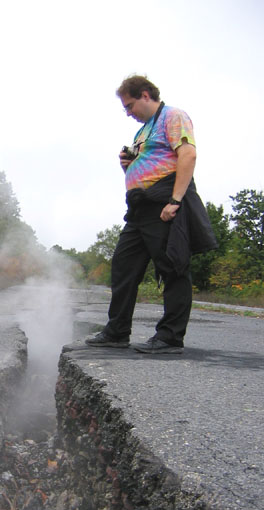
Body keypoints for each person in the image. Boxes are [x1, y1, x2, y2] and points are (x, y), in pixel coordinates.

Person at [86, 75, 217, 354]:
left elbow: (188, 155)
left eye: (130, 105)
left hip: (163, 204)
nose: (128, 112)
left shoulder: (173, 115)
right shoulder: (143, 131)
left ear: (145, 95)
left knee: (173, 268)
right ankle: (116, 332)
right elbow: (149, 165)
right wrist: (129, 166)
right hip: (138, 210)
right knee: (123, 267)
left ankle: (170, 337)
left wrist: (175, 200)